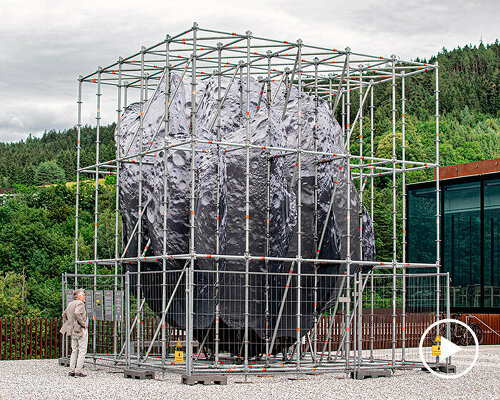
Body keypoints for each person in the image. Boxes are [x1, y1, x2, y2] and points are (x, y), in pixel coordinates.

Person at [60, 289, 88, 377]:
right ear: (79, 297)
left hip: (72, 330)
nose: (84, 297)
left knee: (74, 350)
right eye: (83, 295)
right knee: (82, 350)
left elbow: (64, 314)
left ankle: (71, 370)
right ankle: (78, 370)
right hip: (80, 329)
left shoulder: (70, 304)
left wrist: (70, 323)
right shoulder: (80, 304)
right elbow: (77, 313)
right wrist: (82, 324)